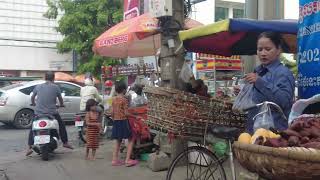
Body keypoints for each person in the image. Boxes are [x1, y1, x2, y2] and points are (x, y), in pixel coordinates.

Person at [238, 31, 295, 134]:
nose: (263, 53)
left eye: (268, 49)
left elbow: (285, 102)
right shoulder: (257, 71)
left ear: (278, 50)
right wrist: (244, 91)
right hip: (254, 129)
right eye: (260, 49)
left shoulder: (283, 73)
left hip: (274, 132)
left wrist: (260, 82)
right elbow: (256, 101)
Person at [26, 72, 73, 156]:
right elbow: (60, 99)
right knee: (61, 125)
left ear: (45, 78)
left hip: (38, 113)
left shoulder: (38, 86)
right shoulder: (55, 87)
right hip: (52, 113)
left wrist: (33, 103)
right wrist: (61, 105)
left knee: (33, 127)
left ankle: (29, 146)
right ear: (53, 78)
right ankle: (65, 142)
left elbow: (33, 97)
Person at [111, 81, 138, 167]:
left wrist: (115, 117)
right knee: (131, 139)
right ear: (123, 90)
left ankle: (114, 160)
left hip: (116, 121)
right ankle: (127, 160)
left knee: (118, 141)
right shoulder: (124, 100)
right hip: (123, 121)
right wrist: (135, 116)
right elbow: (126, 113)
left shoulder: (113, 99)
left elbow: (111, 112)